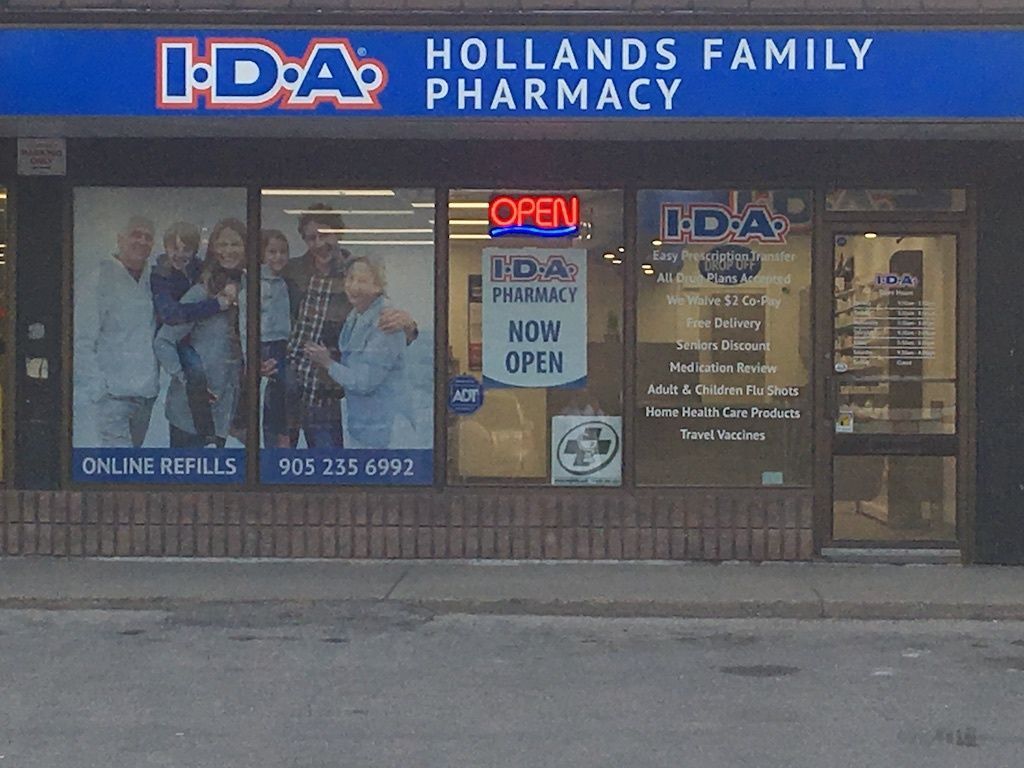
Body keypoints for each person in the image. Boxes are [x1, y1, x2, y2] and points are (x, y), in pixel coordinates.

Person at [282, 204, 416, 448]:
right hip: (290, 381)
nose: (319, 243)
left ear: (339, 233)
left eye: (325, 235)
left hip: (330, 388)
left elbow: (387, 316)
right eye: (312, 238)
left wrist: (409, 325)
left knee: (331, 468)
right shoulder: (293, 270)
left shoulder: (356, 271)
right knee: (277, 467)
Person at [153, 218, 246, 448]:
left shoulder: (252, 289)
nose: (229, 251)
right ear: (213, 249)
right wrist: (187, 380)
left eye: (235, 244)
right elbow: (163, 341)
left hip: (226, 414)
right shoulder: (203, 291)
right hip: (188, 417)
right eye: (222, 244)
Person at [75, 215, 160, 448]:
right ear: (120, 239)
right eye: (135, 234)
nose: (142, 241)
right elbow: (82, 340)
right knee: (119, 472)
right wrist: (99, 389)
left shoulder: (153, 279)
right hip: (113, 398)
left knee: (130, 469)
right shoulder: (99, 279)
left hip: (146, 396)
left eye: (147, 237)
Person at [305, 257, 406, 448]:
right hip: (362, 425)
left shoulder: (386, 323)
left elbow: (364, 382)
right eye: (350, 279)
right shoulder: (355, 315)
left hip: (383, 431)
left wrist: (327, 363)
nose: (353, 286)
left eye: (361, 281)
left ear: (378, 286)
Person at [239, 230, 292, 448]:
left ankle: (274, 440)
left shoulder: (283, 282)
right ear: (262, 254)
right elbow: (245, 323)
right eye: (272, 252)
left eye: (283, 252)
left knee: (279, 392)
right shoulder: (254, 283)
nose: (278, 257)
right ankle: (269, 437)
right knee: (276, 389)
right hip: (263, 344)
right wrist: (250, 356)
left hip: (281, 343)